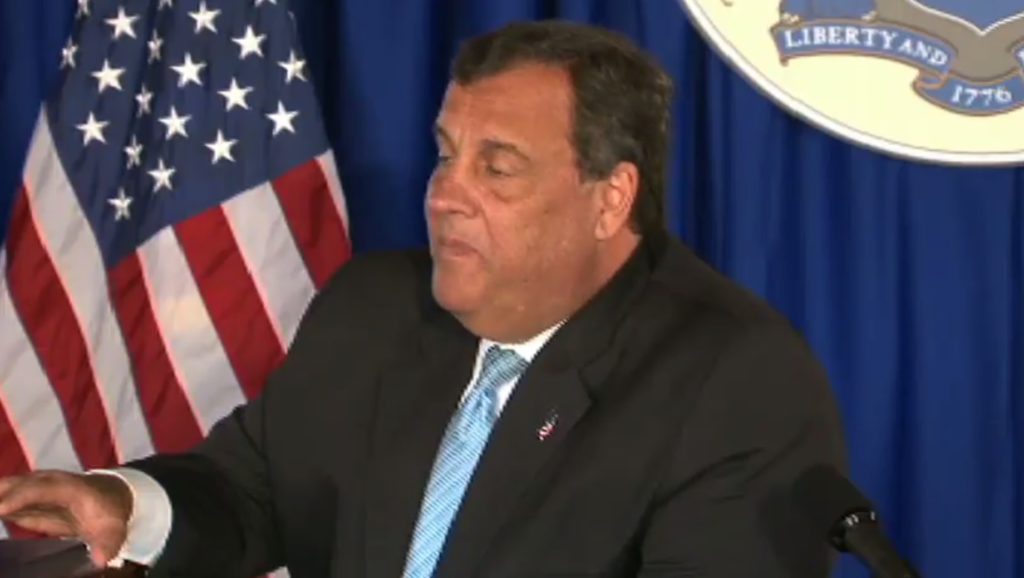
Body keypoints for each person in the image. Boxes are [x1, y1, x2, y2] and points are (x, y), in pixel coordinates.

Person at [0, 20, 846, 578]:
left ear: (610, 198)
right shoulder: (375, 308)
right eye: (446, 154)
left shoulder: (734, 382)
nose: (446, 193)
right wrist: (125, 505)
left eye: (497, 167)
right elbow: (252, 489)